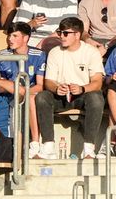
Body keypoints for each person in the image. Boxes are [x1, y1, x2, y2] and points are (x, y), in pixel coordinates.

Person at [35, 16, 105, 160]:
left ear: (77, 35)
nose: (61, 36)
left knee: (96, 97)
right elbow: (49, 81)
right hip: (61, 95)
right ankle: (48, 146)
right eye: (60, 32)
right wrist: (56, 88)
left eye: (65, 33)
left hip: (83, 95)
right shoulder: (55, 52)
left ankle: (89, 148)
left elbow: (97, 82)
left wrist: (82, 89)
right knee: (42, 97)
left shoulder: (91, 52)